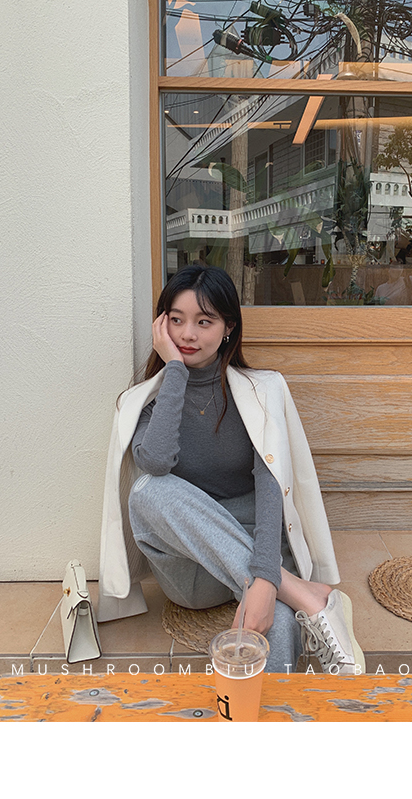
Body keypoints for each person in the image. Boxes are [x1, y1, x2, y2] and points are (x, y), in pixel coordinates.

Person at [96, 264, 365, 675]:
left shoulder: (261, 391)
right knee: (147, 490)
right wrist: (174, 372)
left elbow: (270, 487)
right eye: (176, 320)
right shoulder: (143, 401)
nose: (188, 334)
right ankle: (306, 596)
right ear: (160, 326)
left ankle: (276, 703)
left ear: (228, 328)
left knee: (272, 629)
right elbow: (155, 462)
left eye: (204, 322)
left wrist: (263, 577)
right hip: (191, 571)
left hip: (259, 545)